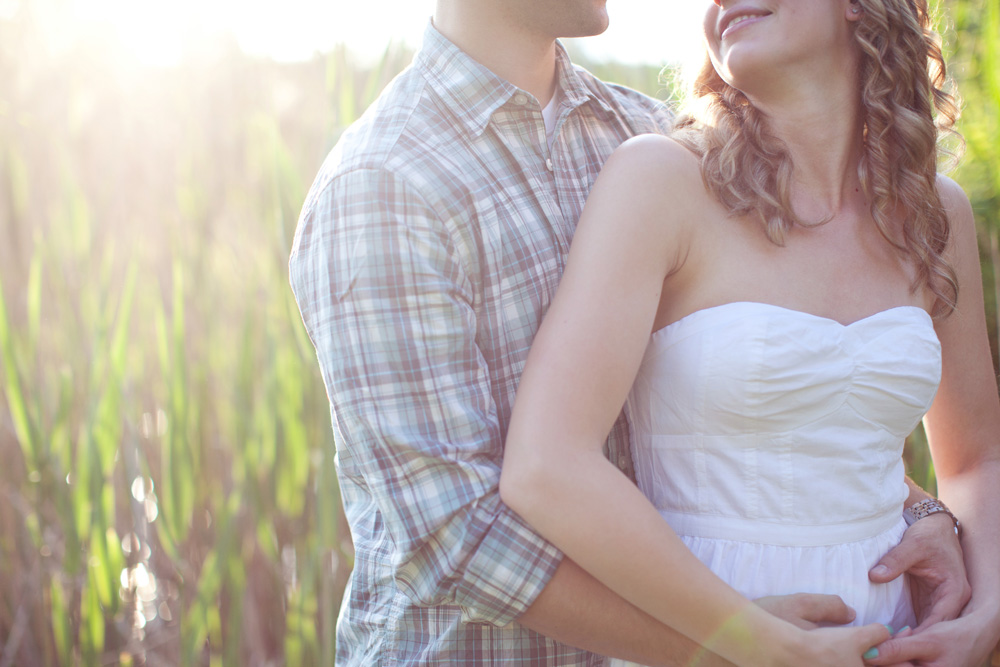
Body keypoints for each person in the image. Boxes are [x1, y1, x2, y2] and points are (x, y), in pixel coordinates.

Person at [289, 0, 972, 664]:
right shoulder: (382, 185)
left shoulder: (651, 136)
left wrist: (920, 514)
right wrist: (744, 642)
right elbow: (453, 534)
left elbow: (753, 414)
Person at [499, 0, 1000, 665]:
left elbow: (975, 459)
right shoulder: (660, 180)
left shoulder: (936, 213)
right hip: (718, 641)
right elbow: (546, 466)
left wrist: (987, 613)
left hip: (898, 636)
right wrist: (753, 637)